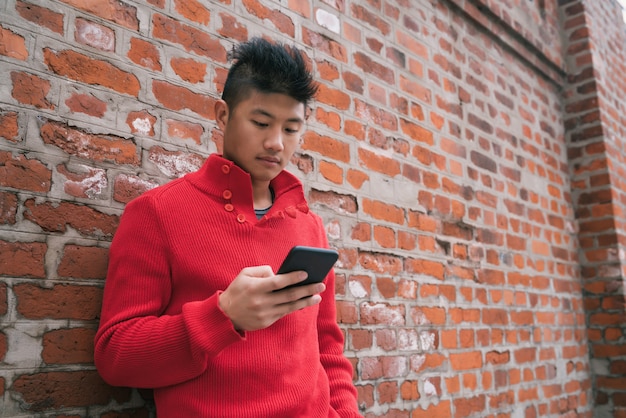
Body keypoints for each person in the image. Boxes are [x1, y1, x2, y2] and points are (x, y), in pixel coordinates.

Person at [94, 37, 362, 418]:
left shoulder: (309, 225)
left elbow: (327, 346)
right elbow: (116, 355)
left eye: (291, 129)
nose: (275, 143)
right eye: (260, 122)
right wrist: (221, 317)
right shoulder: (157, 213)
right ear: (222, 115)